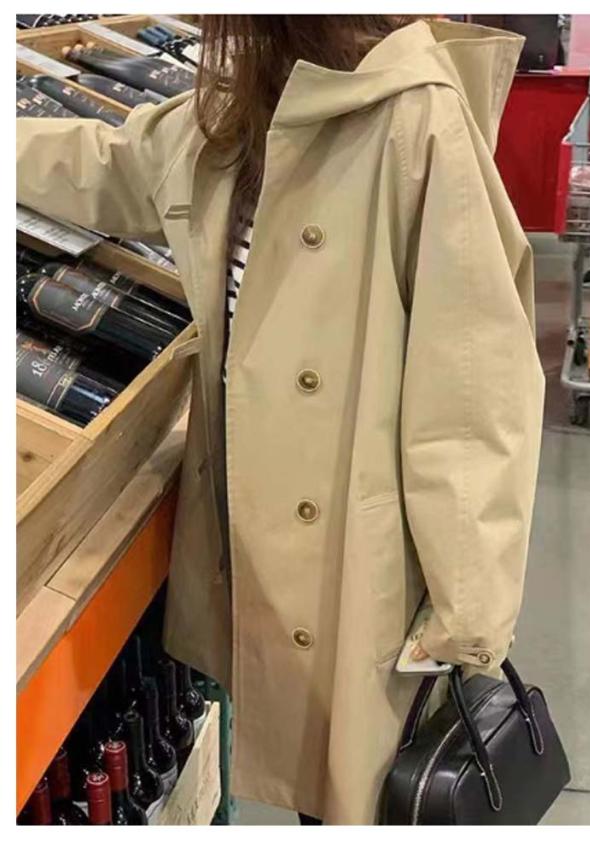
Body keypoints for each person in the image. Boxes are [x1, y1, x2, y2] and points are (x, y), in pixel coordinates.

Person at [16, 15, 544, 825]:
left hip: (361, 555)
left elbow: (474, 388)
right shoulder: (238, 109)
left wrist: (467, 615)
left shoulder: (415, 119)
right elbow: (112, 166)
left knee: (369, 796)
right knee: (320, 797)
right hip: (267, 531)